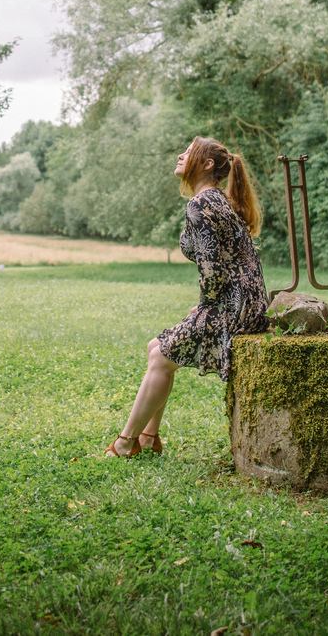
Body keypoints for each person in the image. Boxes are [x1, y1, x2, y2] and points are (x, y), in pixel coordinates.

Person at [104, 136, 267, 458]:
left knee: (161, 357)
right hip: (245, 300)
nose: (180, 155)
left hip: (234, 305)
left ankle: (125, 443)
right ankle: (149, 438)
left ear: (205, 165)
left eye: (189, 153)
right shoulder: (217, 199)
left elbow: (214, 268)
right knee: (157, 348)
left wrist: (208, 304)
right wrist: (210, 303)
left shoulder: (201, 204)